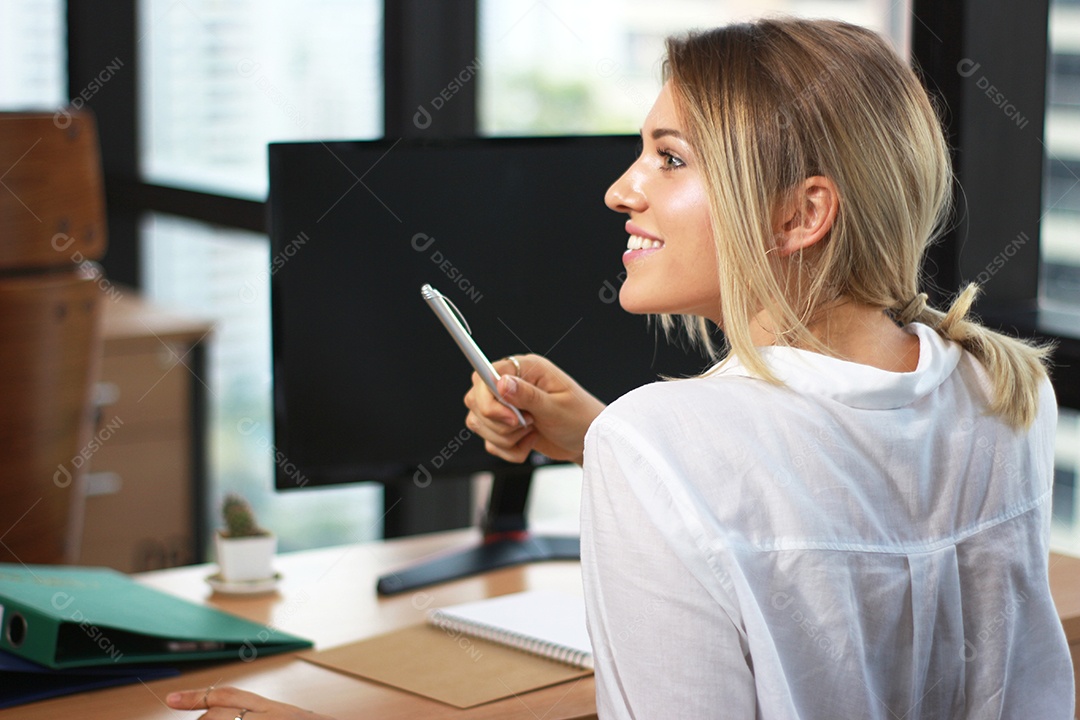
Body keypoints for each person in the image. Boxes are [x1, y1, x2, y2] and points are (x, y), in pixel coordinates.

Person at [167, 17, 1073, 720]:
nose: (619, 188)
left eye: (670, 157)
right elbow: (850, 497)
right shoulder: (1002, 390)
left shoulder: (665, 442)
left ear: (802, 215)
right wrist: (603, 440)